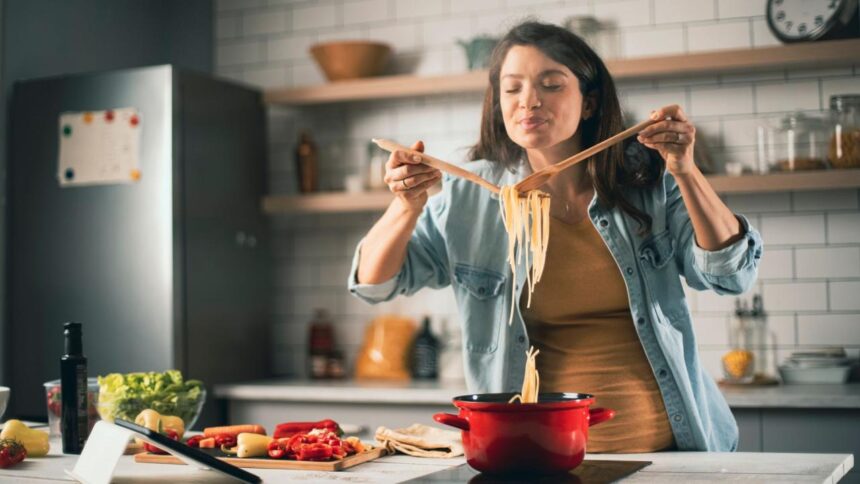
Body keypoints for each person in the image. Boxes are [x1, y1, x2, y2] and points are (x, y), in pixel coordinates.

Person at [348, 21, 761, 453]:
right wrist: (405, 206)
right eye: (512, 89)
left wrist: (684, 169)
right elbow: (375, 284)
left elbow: (730, 276)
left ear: (589, 103)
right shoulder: (471, 194)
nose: (529, 101)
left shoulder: (646, 179)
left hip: (675, 450)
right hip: (536, 455)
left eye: (551, 84)